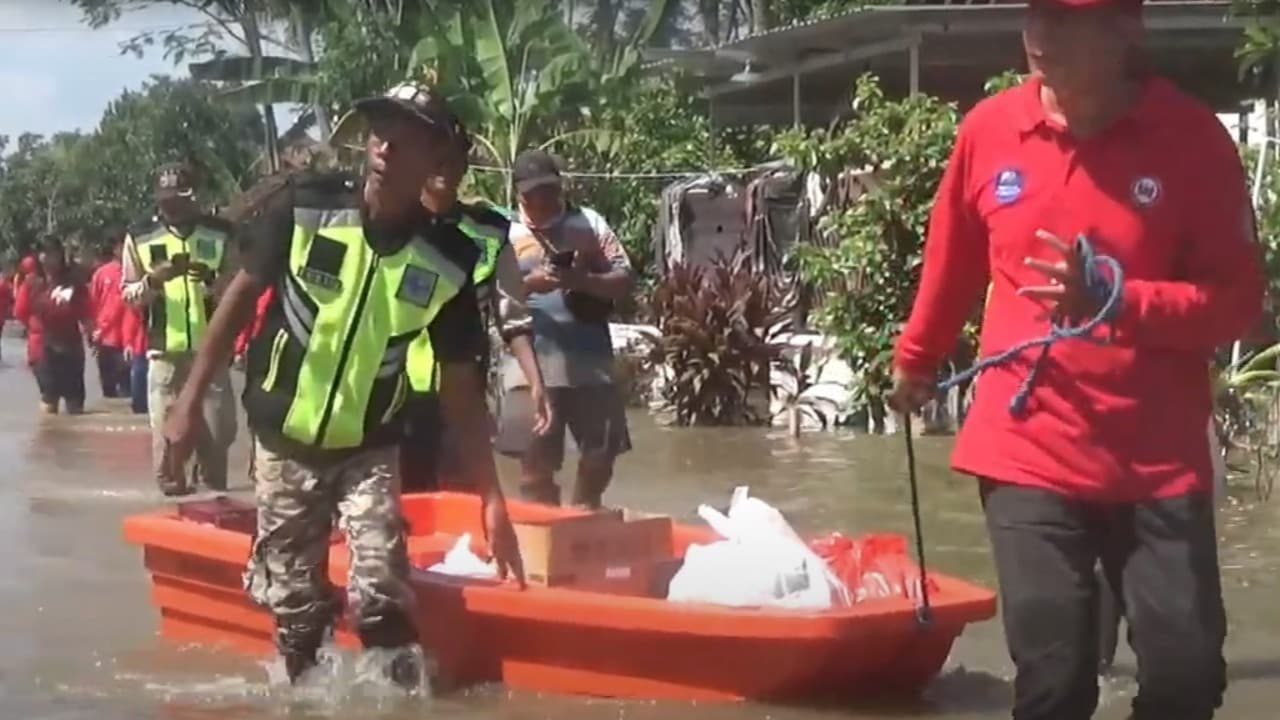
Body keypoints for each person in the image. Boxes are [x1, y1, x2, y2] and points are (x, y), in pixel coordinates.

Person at [889, 2, 1263, 718]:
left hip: (1155, 460)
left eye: (1066, 18)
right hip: (1026, 447)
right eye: (1035, 13)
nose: (1040, 34)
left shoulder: (1193, 141)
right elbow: (953, 261)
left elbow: (1239, 303)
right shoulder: (989, 131)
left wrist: (1119, 301)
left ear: (1127, 29)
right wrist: (917, 358)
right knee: (1054, 686)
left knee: (1186, 681)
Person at [161, 82, 525, 688]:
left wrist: (491, 498)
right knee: (297, 613)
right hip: (283, 441)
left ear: (436, 159)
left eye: (403, 135)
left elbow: (461, 388)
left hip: (371, 447)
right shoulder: (304, 209)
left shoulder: (449, 261)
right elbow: (237, 302)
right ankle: (303, 692)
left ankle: (399, 697)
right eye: (379, 129)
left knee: (383, 590)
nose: (384, 144)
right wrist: (188, 402)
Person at [399, 136, 551, 493]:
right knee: (397, 507)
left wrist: (535, 381)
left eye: (452, 160)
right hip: (393, 396)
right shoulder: (390, 225)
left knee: (465, 501)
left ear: (464, 167)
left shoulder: (488, 231)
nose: (444, 169)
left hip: (461, 395)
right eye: (435, 160)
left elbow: (512, 316)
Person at [494, 150, 634, 509]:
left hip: (591, 359)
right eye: (532, 194)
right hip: (527, 362)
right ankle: (545, 530)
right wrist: (531, 283)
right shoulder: (502, 233)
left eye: (548, 191)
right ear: (518, 194)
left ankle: (583, 515)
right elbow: (491, 296)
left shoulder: (589, 224)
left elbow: (624, 278)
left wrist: (581, 279)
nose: (541, 201)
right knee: (533, 464)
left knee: (601, 454)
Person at [121, 162, 239, 495]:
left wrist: (214, 282)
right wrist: (153, 282)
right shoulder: (141, 235)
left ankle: (213, 509)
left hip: (213, 354)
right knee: (166, 450)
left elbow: (239, 287)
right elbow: (128, 296)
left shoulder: (220, 233)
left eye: (180, 199)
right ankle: (172, 510)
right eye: (166, 200)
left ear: (194, 197)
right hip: (165, 354)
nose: (172, 206)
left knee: (218, 440)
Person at [15, 239, 92, 414]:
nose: (48, 259)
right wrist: (36, 327)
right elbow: (20, 312)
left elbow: (86, 311)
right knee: (49, 398)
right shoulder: (32, 282)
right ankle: (48, 437)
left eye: (52, 254)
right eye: (44, 253)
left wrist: (92, 332)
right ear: (38, 256)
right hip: (42, 348)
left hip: (71, 345)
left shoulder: (74, 281)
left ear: (60, 256)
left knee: (75, 403)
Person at [89, 232, 130, 398]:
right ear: (114, 249)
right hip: (105, 340)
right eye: (121, 246)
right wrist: (93, 333)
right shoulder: (102, 273)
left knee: (129, 391)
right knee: (109, 391)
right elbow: (92, 304)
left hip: (128, 342)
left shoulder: (136, 273)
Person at [120, 302, 148, 415]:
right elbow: (130, 319)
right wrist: (128, 343)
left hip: (165, 347)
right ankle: (140, 407)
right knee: (139, 376)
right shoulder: (140, 297)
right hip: (142, 347)